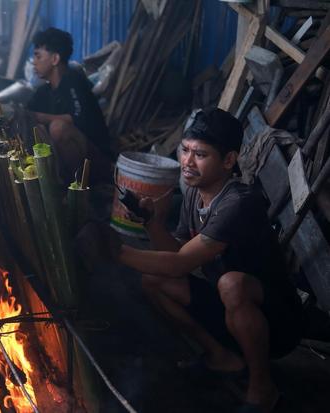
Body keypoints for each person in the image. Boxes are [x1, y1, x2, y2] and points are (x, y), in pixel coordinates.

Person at [116, 108, 303, 413]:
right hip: (227, 306)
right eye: (185, 150)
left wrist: (116, 251)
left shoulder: (238, 204)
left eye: (200, 154)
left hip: (277, 322)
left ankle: (262, 388)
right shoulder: (193, 190)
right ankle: (223, 358)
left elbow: (180, 265)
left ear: (228, 161)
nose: (187, 162)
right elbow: (178, 254)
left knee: (232, 284)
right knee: (153, 279)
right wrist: (151, 222)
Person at [27, 27, 112, 183]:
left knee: (58, 128)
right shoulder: (44, 91)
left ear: (55, 59)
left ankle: (79, 190)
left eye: (38, 56)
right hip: (75, 161)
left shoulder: (75, 81)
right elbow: (27, 113)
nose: (34, 62)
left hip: (98, 162)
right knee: (36, 129)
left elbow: (79, 119)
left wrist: (39, 117)